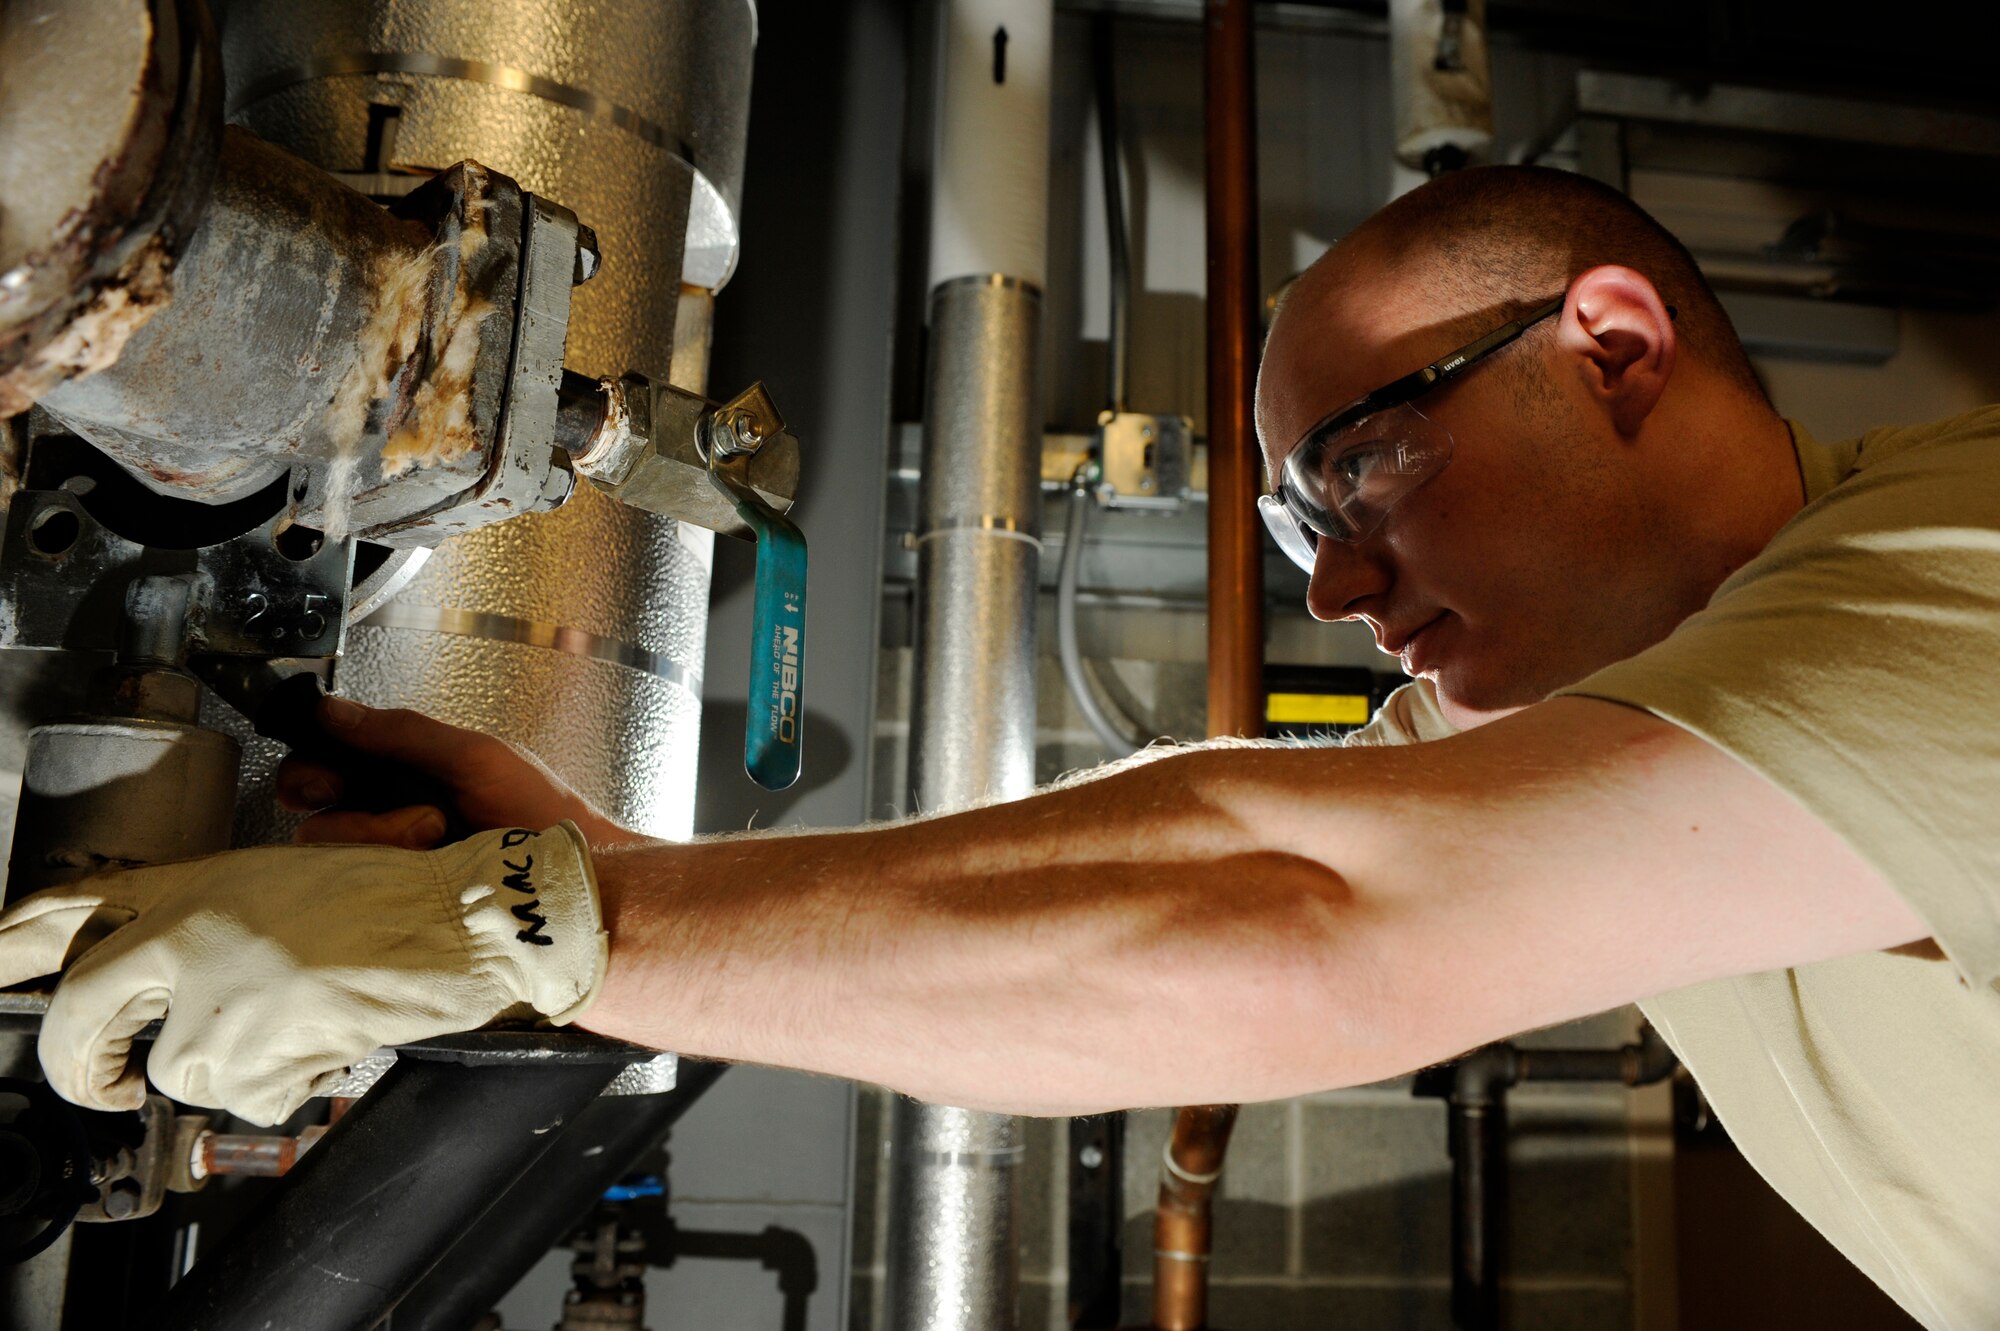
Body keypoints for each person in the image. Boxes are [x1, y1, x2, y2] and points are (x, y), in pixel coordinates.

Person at [3, 165, 1996, 1328]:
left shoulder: (1959, 561)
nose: (1332, 589)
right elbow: (1244, 834)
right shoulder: (1635, 683)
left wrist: (533, 928)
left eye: (1361, 470)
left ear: (1617, 349)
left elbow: (1302, 913)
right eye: (1301, 533)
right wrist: (600, 878)